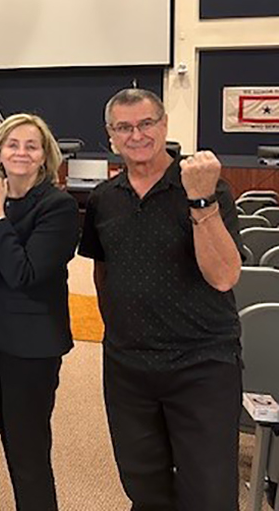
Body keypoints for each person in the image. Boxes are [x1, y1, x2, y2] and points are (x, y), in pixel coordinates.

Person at [79, 88, 243, 511]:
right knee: (143, 486)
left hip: (201, 364)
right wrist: (118, 331)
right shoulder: (103, 199)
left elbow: (224, 276)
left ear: (164, 124)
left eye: (146, 123)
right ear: (110, 135)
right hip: (128, 367)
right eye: (124, 127)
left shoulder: (208, 188)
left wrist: (200, 200)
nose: (137, 135)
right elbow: (101, 271)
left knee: (208, 492)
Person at [0, 114, 78, 511]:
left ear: (44, 155)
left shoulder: (58, 206)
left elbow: (24, 273)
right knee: (9, 435)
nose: (21, 152)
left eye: (31, 145)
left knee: (28, 447)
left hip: (32, 345)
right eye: (12, 144)